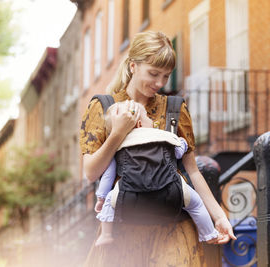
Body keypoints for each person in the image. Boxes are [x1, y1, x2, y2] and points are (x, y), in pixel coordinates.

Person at [80, 31, 235, 266]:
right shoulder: (105, 107)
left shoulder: (174, 108)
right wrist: (119, 133)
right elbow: (91, 172)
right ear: (133, 66)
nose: (160, 83)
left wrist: (219, 216)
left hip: (174, 227)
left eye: (166, 76)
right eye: (153, 73)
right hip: (123, 231)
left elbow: (192, 171)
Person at [94, 102, 220, 246]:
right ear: (140, 124)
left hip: (129, 195)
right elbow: (179, 153)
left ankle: (106, 235)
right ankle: (208, 233)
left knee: (110, 203)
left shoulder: (117, 147)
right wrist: (183, 142)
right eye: (148, 116)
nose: (152, 120)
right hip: (171, 191)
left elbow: (108, 176)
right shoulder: (164, 136)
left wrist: (101, 198)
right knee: (196, 204)